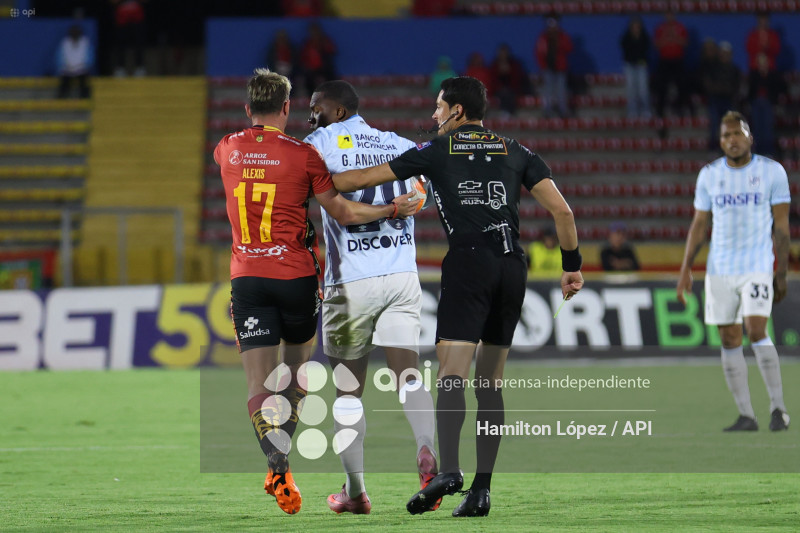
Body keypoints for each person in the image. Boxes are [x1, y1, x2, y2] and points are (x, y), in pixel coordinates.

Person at [332, 76, 584, 517]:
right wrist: (571, 267)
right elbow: (563, 211)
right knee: (491, 383)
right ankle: (482, 491)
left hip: (469, 263)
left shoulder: (437, 150)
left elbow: (361, 179)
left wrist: (318, 177)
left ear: (457, 112)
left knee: (451, 372)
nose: (433, 116)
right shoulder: (516, 150)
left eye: (438, 107)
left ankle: (449, 470)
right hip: (511, 267)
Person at [213, 68, 418, 516]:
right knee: (295, 375)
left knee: (257, 383)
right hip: (297, 278)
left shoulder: (225, 148)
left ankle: (277, 461)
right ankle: (286, 444)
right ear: (286, 108)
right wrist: (391, 207)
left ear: (248, 109)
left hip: (247, 276)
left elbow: (241, 165)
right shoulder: (304, 156)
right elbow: (341, 209)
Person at [302, 80, 437, 515]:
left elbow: (307, 191)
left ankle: (355, 492)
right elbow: (422, 196)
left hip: (351, 281)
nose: (311, 116)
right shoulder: (400, 144)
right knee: (409, 376)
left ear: (337, 112)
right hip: (400, 275)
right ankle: (427, 453)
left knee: (347, 392)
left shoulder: (319, 142)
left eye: (316, 108)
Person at [677, 110, 791, 433]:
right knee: (728, 338)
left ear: (749, 137)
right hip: (719, 270)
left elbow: (781, 226)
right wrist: (686, 268)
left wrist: (779, 272)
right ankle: (746, 415)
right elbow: (699, 225)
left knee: (756, 330)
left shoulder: (772, 172)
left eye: (737, 134)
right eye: (726, 136)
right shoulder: (709, 175)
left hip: (757, 265)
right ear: (720, 141)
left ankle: (778, 409)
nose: (732, 140)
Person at [703, 42, 741, 151]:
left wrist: (724, 89)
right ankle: (713, 147)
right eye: (723, 53)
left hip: (729, 100)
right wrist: (720, 89)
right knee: (715, 124)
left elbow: (736, 87)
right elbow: (708, 84)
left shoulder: (734, 70)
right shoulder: (713, 68)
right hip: (715, 99)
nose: (725, 55)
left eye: (727, 53)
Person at [747, 53, 786, 158]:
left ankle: (768, 152)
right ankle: (758, 152)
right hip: (756, 105)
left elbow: (781, 89)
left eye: (764, 62)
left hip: (769, 104)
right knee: (757, 127)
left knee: (767, 127)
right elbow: (750, 92)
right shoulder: (754, 75)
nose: (762, 65)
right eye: (760, 63)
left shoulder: (774, 75)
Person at [653, 12, 690, 118]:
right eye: (667, 14)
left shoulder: (680, 27)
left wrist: (674, 37)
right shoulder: (660, 28)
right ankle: (660, 111)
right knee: (661, 87)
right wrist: (667, 38)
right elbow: (656, 45)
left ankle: (680, 109)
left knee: (681, 85)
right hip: (664, 61)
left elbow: (685, 43)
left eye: (671, 14)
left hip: (678, 61)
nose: (669, 16)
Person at [535, 15, 573, 118]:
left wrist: (558, 41)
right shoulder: (543, 37)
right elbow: (539, 53)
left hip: (560, 67)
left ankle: (563, 110)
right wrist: (543, 66)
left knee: (561, 89)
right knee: (547, 90)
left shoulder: (562, 36)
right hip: (547, 68)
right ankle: (547, 111)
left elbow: (569, 48)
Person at [620, 16, 651, 119]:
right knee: (631, 89)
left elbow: (645, 50)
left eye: (638, 26)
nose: (636, 28)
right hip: (630, 65)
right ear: (631, 27)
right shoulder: (626, 38)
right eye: (634, 26)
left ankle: (645, 111)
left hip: (641, 65)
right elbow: (625, 50)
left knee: (643, 89)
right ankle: (632, 111)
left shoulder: (644, 37)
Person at [56, 24, 93, 99]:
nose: (75, 33)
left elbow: (90, 56)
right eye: (73, 32)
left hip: (81, 69)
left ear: (80, 33)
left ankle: (84, 99)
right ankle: (61, 99)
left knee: (84, 82)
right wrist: (63, 67)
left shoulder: (85, 42)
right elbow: (59, 57)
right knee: (64, 82)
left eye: (76, 32)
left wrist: (86, 65)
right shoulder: (65, 42)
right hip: (67, 69)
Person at [300, 22, 337, 96]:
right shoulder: (308, 43)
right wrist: (307, 66)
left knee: (331, 77)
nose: (314, 33)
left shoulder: (325, 41)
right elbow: (303, 57)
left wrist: (323, 46)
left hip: (324, 68)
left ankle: (331, 96)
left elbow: (332, 51)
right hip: (312, 69)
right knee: (308, 78)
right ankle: (312, 97)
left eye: (316, 31)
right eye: (312, 31)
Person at [490, 43, 526, 116]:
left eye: (505, 53)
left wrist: (509, 71)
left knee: (509, 94)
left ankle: (509, 113)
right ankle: (505, 112)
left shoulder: (514, 65)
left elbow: (517, 79)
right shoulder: (495, 65)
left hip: (512, 89)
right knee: (503, 93)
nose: (503, 55)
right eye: (501, 53)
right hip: (498, 90)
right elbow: (493, 80)